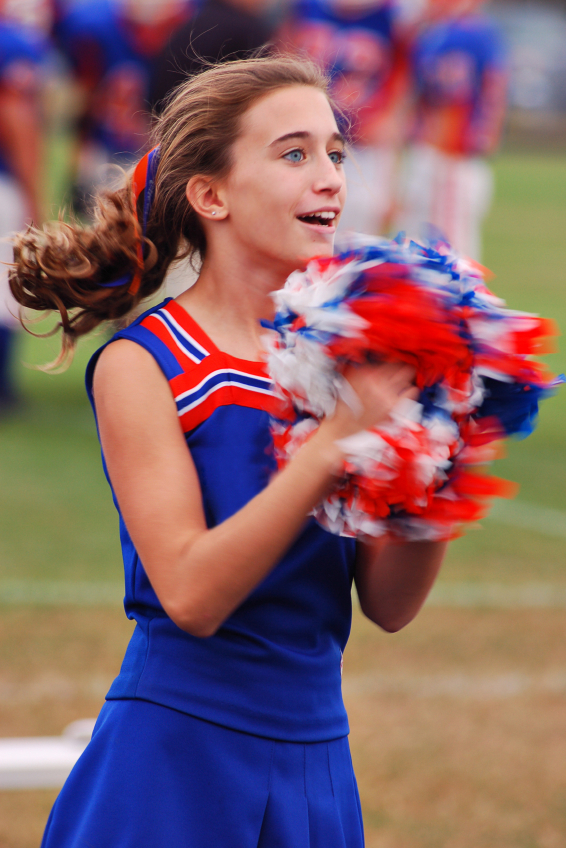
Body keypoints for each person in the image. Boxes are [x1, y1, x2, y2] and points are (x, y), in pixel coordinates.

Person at [10, 55, 447, 846]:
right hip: (177, 758)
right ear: (211, 196)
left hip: (318, 754)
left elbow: (389, 606)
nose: (330, 177)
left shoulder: (344, 362)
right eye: (294, 153)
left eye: (335, 153)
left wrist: (439, 461)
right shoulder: (146, 363)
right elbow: (191, 595)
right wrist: (330, 446)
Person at [281, 0, 410, 236]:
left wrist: (391, 116)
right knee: (302, 219)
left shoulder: (391, 17)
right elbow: (282, 57)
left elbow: (404, 76)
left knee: (361, 224)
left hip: (363, 141)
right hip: (308, 131)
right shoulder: (306, 8)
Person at [397, 0, 507, 260]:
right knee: (416, 237)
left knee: (452, 247)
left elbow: (494, 83)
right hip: (430, 148)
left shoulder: (475, 32)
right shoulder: (431, 32)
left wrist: (485, 131)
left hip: (456, 153)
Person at [0, 15, 48, 410]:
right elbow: (16, 115)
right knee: (5, 287)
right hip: (2, 183)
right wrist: (35, 200)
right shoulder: (11, 42)